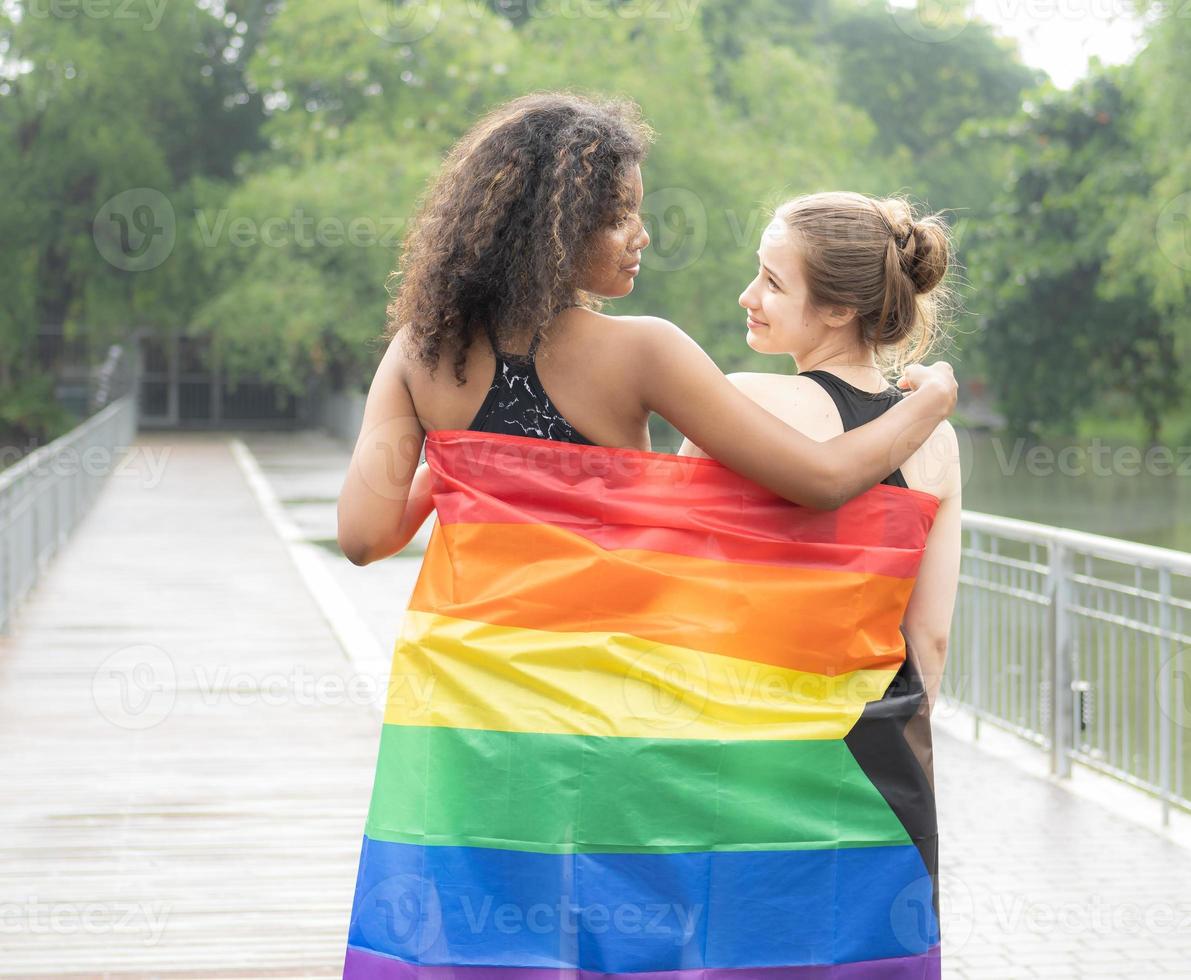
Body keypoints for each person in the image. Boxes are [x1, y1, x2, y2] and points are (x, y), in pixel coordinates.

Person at [337, 91, 957, 567]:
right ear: (550, 231)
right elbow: (823, 480)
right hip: (596, 696)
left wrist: (465, 462)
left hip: (458, 693)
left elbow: (365, 539)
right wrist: (927, 403)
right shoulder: (642, 351)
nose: (643, 234)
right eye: (619, 216)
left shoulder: (417, 352)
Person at [679, 190, 962, 710]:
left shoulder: (736, 401)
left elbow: (674, 577)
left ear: (839, 309)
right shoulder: (935, 437)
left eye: (773, 283)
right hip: (870, 757)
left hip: (741, 732)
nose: (748, 295)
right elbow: (930, 639)